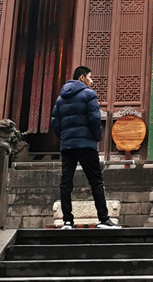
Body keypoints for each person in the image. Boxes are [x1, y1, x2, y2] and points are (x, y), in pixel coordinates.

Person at [48, 65, 120, 229]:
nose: (91, 81)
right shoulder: (89, 94)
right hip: (86, 144)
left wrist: (64, 136)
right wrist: (97, 137)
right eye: (89, 77)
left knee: (66, 182)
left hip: (68, 146)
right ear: (82, 78)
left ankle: (67, 221)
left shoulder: (61, 98)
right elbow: (95, 118)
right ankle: (103, 219)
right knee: (96, 181)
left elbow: (55, 122)